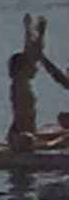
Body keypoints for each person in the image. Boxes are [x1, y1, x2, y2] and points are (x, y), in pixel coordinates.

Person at [7, 15, 69, 152]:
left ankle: (50, 143)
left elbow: (35, 57)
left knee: (63, 123)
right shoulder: (19, 84)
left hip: (29, 134)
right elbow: (32, 55)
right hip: (22, 137)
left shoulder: (22, 81)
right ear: (22, 70)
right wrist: (33, 32)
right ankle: (47, 145)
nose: (35, 68)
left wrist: (37, 33)